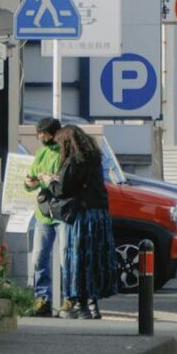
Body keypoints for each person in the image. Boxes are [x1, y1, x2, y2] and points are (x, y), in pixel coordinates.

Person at [54, 123, 116, 320]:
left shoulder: (73, 162)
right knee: (95, 261)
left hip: (82, 217)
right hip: (100, 216)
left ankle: (80, 306)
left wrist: (49, 181)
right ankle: (93, 304)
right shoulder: (95, 158)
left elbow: (61, 189)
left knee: (78, 260)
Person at [22, 117, 62, 320]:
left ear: (54, 133)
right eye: (38, 133)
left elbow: (62, 180)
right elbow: (32, 180)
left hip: (63, 212)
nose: (40, 137)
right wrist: (29, 182)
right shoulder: (41, 153)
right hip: (44, 212)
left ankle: (68, 300)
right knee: (39, 257)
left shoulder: (65, 151)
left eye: (43, 133)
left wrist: (47, 180)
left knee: (66, 258)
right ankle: (42, 300)